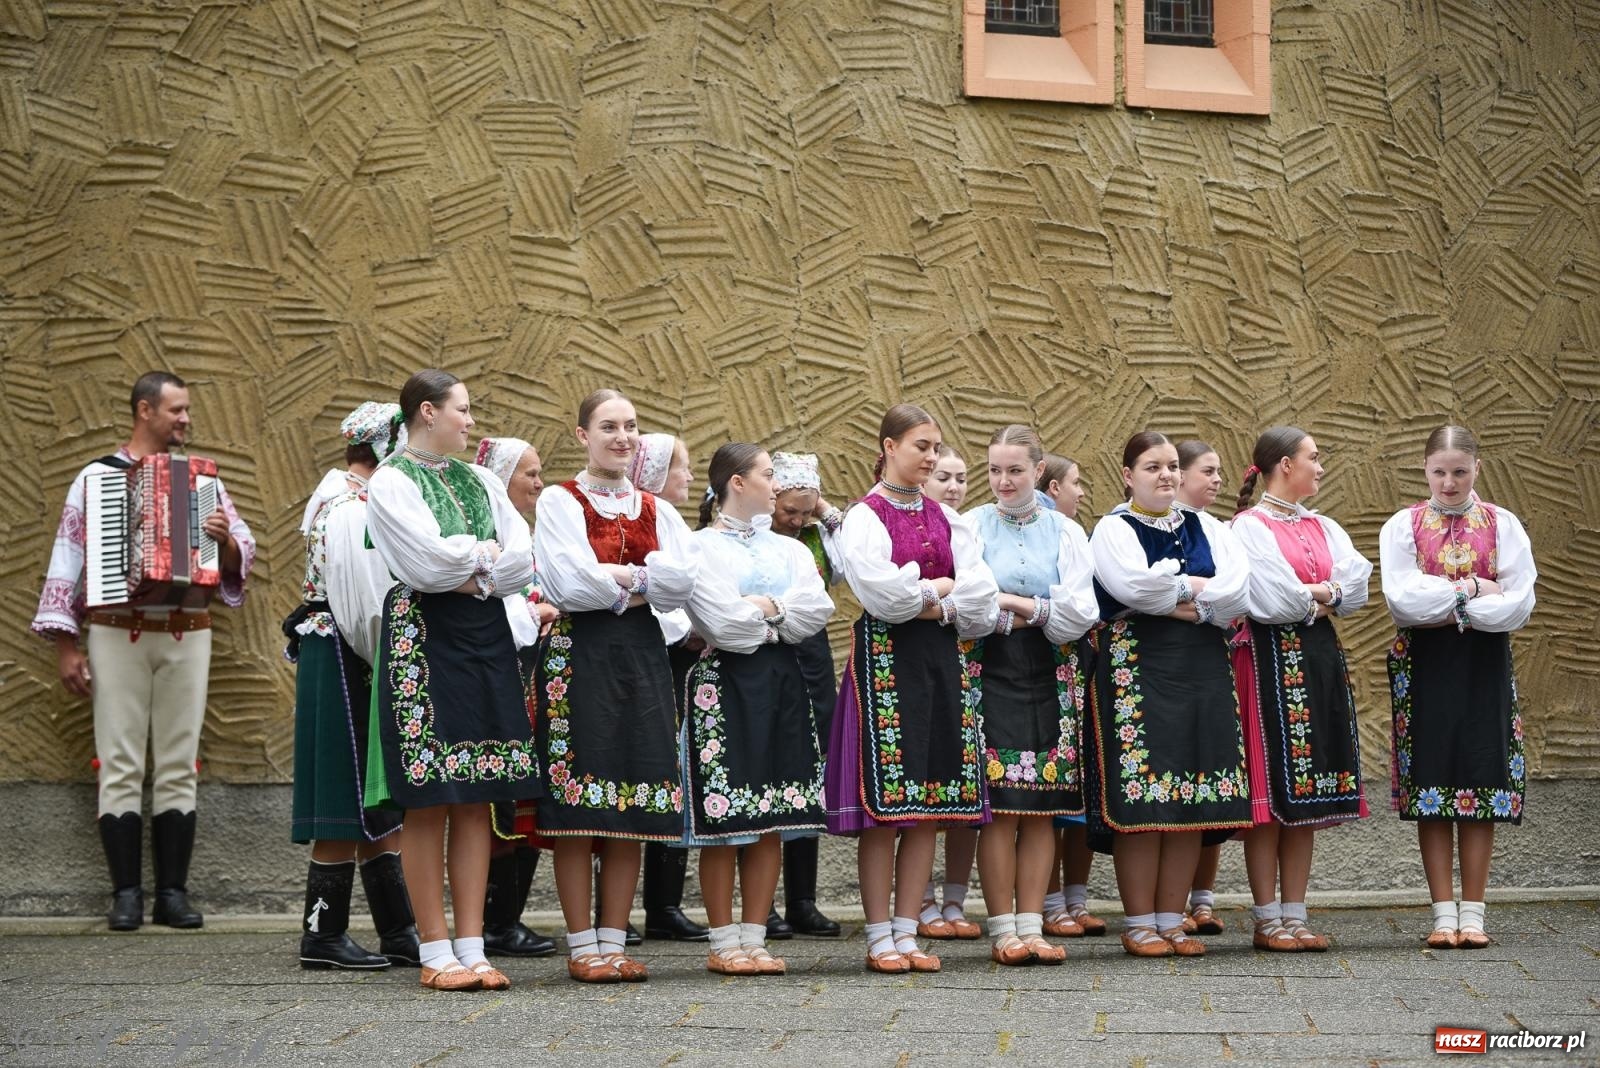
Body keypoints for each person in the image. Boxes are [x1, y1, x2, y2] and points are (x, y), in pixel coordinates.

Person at [34, 371, 255, 932]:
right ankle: (126, 894)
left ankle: (173, 895)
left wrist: (224, 541)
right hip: (114, 628)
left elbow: (240, 551)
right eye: (176, 410)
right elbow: (68, 555)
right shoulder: (97, 477)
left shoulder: (202, 479)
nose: (185, 420)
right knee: (120, 760)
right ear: (144, 411)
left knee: (180, 760)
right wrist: (66, 646)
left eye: (186, 411)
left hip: (188, 628)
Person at [363, 369, 539, 992]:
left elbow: (524, 557)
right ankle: (435, 951)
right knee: (431, 796)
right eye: (462, 410)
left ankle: (473, 945)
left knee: (480, 791)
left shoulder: (481, 478)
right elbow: (423, 564)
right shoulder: (390, 480)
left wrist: (474, 565)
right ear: (428, 412)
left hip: (485, 637)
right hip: (425, 639)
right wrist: (481, 560)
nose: (471, 420)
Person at [824, 403, 998, 974]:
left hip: (941, 664)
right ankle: (879, 936)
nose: (929, 456)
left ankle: (907, 931)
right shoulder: (863, 517)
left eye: (935, 446)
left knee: (929, 802)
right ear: (889, 446)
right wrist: (944, 593)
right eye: (920, 445)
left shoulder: (951, 520)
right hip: (886, 664)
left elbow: (982, 598)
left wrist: (931, 595)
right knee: (888, 808)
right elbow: (884, 600)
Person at [532, 390, 700, 983]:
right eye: (609, 427)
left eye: (630, 427)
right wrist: (640, 579)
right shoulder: (559, 499)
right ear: (582, 435)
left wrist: (619, 580)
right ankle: (582, 945)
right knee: (582, 802)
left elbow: (686, 581)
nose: (623, 437)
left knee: (636, 797)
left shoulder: (656, 505)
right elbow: (567, 584)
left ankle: (613, 938)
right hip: (580, 657)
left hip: (643, 659)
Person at [1088, 431, 1251, 958]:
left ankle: (1169, 918)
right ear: (1128, 476)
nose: (1166, 475)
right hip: (1139, 667)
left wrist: (1182, 597)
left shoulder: (1207, 525)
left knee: (1192, 793)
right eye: (1152, 466)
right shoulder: (1113, 528)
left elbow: (1239, 591)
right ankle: (1138, 922)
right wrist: (1200, 593)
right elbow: (1132, 588)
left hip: (1202, 666)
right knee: (1147, 794)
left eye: (1172, 466)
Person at [1380, 425, 1536, 950]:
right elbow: (1403, 604)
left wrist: (1446, 598)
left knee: (1480, 780)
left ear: (1478, 469)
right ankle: (1442, 914)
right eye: (1439, 472)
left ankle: (1474, 914)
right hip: (1425, 666)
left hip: (1483, 666)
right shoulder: (1403, 525)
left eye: (1460, 472)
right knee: (1434, 784)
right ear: (1425, 470)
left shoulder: (1502, 523)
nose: (1449, 483)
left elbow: (1518, 605)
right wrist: (1476, 589)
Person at [683, 444, 834, 974]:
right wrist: (778, 613)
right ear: (737, 482)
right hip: (724, 685)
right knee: (728, 818)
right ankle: (724, 942)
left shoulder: (792, 551)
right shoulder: (698, 546)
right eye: (768, 475)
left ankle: (755, 938)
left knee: (775, 812)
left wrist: (761, 610)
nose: (776, 484)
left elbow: (817, 610)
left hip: (784, 682)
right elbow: (721, 625)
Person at [1232, 428, 1373, 952]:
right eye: (1314, 457)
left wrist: (1322, 596)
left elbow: (1359, 585)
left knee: (1307, 788)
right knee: (1271, 794)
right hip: (1269, 661)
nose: (1321, 465)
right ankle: (1267, 917)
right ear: (1286, 465)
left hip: (1316, 661)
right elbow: (1273, 601)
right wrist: (1327, 596)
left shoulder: (1323, 524)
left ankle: (1296, 912)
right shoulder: (1248, 528)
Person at [290, 402, 419, 970]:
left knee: (376, 792)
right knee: (345, 790)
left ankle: (399, 928)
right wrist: (390, 656)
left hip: (355, 650)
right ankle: (323, 934)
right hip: (350, 650)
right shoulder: (349, 508)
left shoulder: (357, 500)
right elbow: (363, 602)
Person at [968, 426, 1099, 966]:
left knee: (1044, 806)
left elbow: (1079, 613)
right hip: (989, 668)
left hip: (1052, 668)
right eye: (995, 469)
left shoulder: (1067, 532)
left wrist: (1018, 606)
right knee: (1001, 804)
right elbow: (972, 606)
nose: (1003, 480)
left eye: (1014, 470)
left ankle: (1032, 923)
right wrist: (1036, 608)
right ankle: (1003, 929)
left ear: (1038, 471)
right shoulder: (970, 525)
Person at [472, 436, 560, 960]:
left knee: (521, 801)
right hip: (501, 678)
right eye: (529, 472)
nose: (539, 482)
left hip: (525, 678)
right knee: (499, 804)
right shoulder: (494, 537)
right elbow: (502, 610)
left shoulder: (526, 534)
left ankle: (504, 919)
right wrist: (537, 613)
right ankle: (492, 923)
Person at [630, 433, 711, 945]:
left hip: (680, 655)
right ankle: (656, 905)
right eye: (681, 468)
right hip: (661, 655)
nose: (688, 477)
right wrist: (687, 629)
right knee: (655, 767)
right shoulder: (651, 516)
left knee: (672, 770)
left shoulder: (668, 519)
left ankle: (664, 903)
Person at [766, 451, 846, 937]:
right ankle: (764, 903)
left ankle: (802, 900)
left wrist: (823, 511)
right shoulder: (752, 539)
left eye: (803, 511)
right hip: (768, 648)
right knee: (768, 769)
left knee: (808, 771)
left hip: (811, 657)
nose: (795, 521)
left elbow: (854, 551)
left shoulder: (817, 537)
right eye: (787, 511)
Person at [1035, 452, 1109, 940]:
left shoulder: (1075, 537)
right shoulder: (1040, 532)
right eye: (1076, 483)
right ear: (1054, 488)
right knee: (1045, 792)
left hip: (1078, 662)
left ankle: (1073, 900)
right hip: (1042, 663)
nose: (1082, 493)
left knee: (1078, 788)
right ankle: (1049, 901)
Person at [919, 442, 981, 940]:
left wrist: (954, 596)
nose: (954, 487)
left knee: (962, 797)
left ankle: (955, 901)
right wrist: (952, 595)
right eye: (944, 477)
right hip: (922, 662)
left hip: (968, 663)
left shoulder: (967, 529)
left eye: (961, 478)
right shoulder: (909, 526)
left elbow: (980, 593)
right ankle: (920, 901)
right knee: (920, 782)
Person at [1174, 440, 1228, 936]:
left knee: (1206, 774)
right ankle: (1172, 907)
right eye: (1206, 471)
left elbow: (1237, 595)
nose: (1216, 480)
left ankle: (1202, 899)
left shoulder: (1217, 530)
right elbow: (1136, 594)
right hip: (1167, 661)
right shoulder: (1148, 526)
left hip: (1210, 656)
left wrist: (1201, 606)